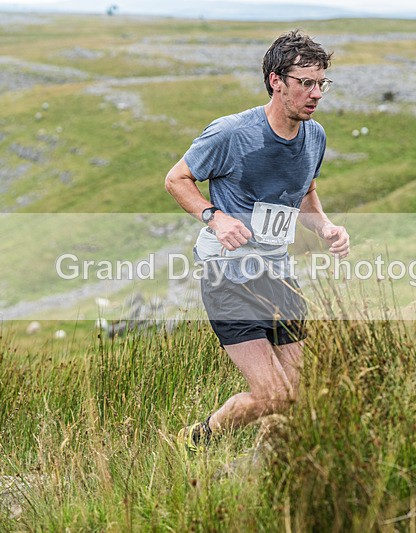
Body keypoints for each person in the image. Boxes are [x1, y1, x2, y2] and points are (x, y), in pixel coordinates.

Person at [164, 29, 349, 451]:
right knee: (273, 394)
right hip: (229, 275)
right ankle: (196, 439)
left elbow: (305, 194)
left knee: (299, 395)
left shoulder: (314, 137)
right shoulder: (231, 132)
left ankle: (269, 465)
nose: (316, 93)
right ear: (276, 81)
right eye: (306, 82)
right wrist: (214, 218)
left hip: (279, 276)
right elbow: (177, 179)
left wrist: (325, 227)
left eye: (322, 83)